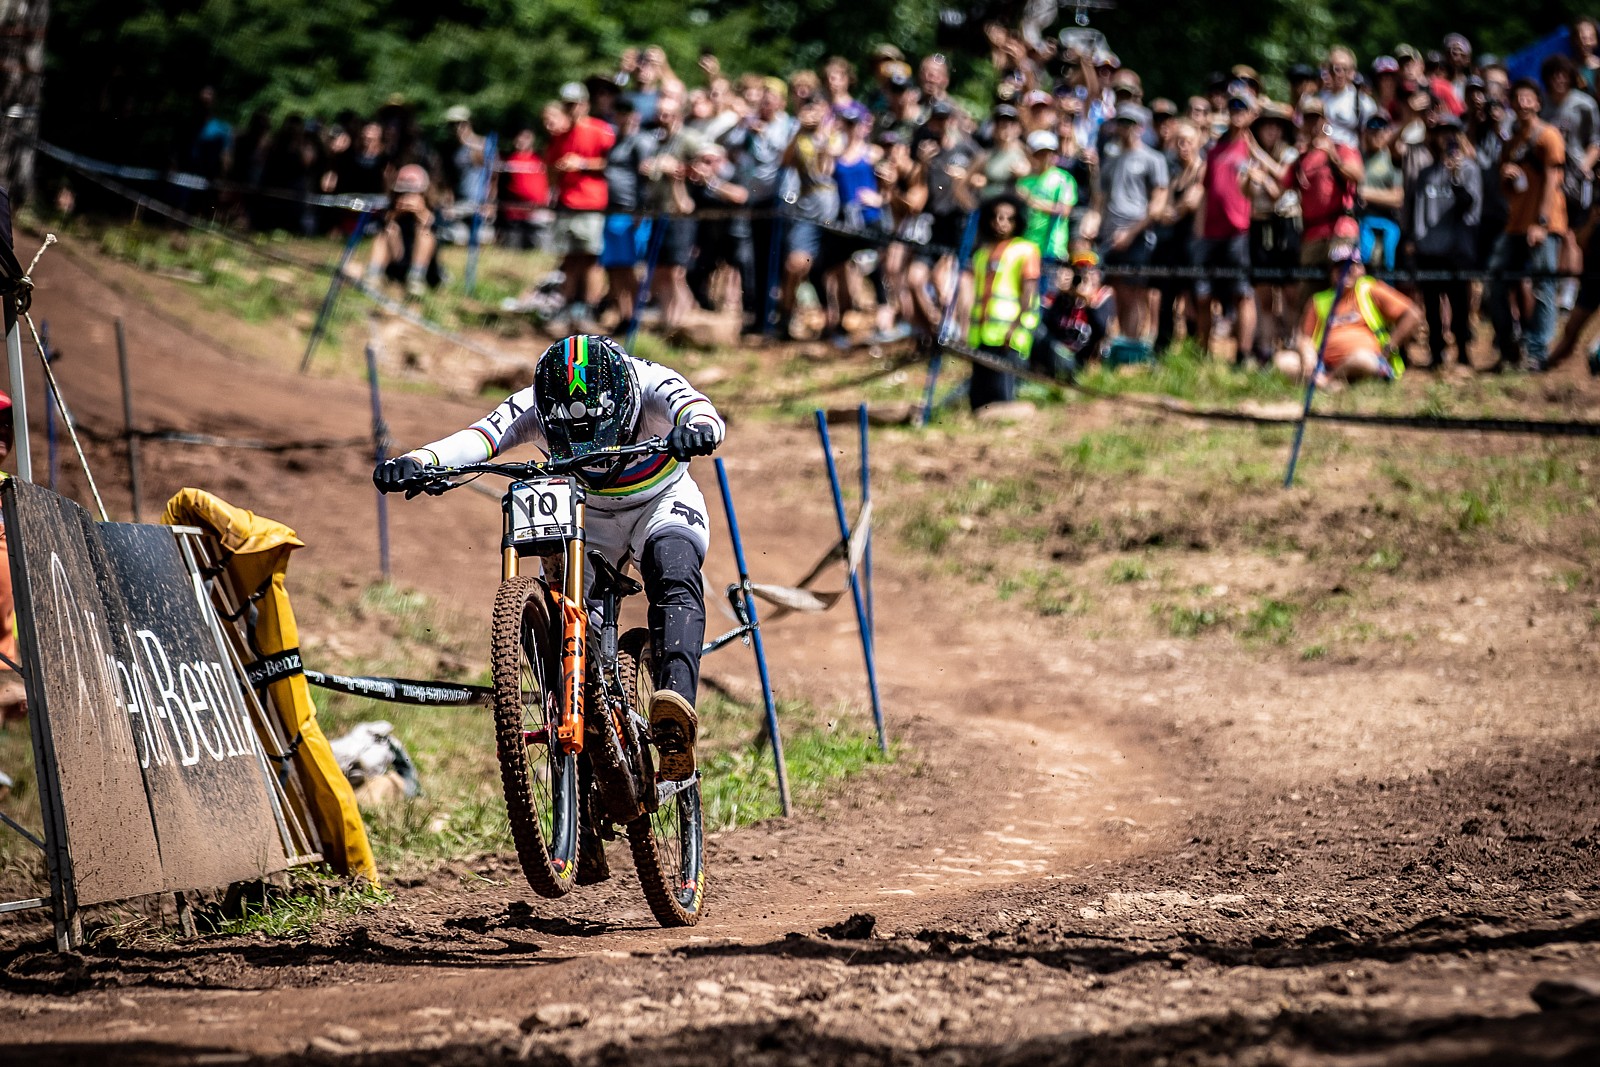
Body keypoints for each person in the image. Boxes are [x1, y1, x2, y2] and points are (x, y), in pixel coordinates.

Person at [373, 336, 724, 782]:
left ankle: (675, 716)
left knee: (672, 569)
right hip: (584, 513)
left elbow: (699, 409)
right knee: (567, 622)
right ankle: (577, 767)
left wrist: (700, 429)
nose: (584, 448)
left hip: (660, 501)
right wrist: (420, 460)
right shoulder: (534, 404)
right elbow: (481, 437)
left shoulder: (653, 382)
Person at [1487, 80, 1566, 373]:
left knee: (1543, 286)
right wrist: (1506, 175)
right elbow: (1511, 190)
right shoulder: (1511, 142)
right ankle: (1509, 347)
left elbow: (1552, 179)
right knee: (1496, 281)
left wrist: (1542, 223)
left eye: (1527, 98)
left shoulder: (1549, 135)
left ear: (1537, 103)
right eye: (1517, 98)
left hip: (1545, 223)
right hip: (1515, 224)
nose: (1522, 103)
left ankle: (1537, 353)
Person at [1279, 240, 1420, 385]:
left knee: (1361, 360)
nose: (1345, 270)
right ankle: (1328, 380)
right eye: (1339, 266)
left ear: (1361, 269)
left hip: (1368, 360)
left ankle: (1328, 381)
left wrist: (1391, 345)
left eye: (1351, 265)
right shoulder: (1319, 300)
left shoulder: (1371, 290)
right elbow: (1305, 338)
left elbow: (1412, 314)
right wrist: (1308, 358)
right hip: (1324, 364)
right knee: (1283, 362)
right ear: (1331, 272)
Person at [1403, 116, 1482, 371]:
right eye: (1441, 132)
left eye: (1451, 132)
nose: (1446, 137)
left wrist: (1456, 177)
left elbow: (1469, 205)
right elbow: (1417, 210)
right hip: (1429, 250)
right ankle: (1436, 353)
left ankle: (1462, 352)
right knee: (1432, 305)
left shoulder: (1469, 169)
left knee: (1460, 305)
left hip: (1456, 250)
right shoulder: (1425, 173)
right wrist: (1414, 239)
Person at [1086, 102, 1168, 340]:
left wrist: (1131, 233)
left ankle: (1132, 345)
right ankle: (1118, 342)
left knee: (1134, 292)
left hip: (1138, 235)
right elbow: (1100, 198)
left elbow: (1157, 204)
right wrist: (1094, 223)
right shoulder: (1111, 158)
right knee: (1113, 290)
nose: (1126, 127)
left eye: (1131, 123)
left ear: (1141, 127)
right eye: (1122, 122)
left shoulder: (1153, 159)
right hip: (1110, 235)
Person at [545, 81, 616, 331]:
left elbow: (613, 163)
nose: (571, 109)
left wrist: (583, 164)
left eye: (574, 104)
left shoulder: (601, 130)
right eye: (567, 104)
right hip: (566, 203)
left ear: (585, 105)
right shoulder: (560, 137)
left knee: (591, 259)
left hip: (592, 203)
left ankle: (587, 309)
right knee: (570, 259)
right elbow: (550, 171)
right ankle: (566, 308)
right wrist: (559, 169)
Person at [1193, 88, 1257, 359]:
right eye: (1233, 108)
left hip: (1238, 232)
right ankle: (1201, 352)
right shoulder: (1215, 149)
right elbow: (1206, 191)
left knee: (1241, 293)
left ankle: (1243, 354)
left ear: (1252, 113)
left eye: (1242, 108)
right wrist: (1198, 232)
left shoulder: (1252, 148)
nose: (1237, 113)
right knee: (1204, 294)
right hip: (1210, 233)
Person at [964, 193, 1040, 410]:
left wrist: (1016, 326)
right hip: (982, 333)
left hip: (1008, 335)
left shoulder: (1025, 250)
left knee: (1003, 397)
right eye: (997, 217)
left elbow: (1029, 292)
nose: (1002, 223)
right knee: (979, 398)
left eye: (1009, 218)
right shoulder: (982, 254)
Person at [362, 164, 441, 296]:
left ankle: (416, 277)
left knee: (425, 233)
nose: (407, 197)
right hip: (396, 258)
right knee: (387, 231)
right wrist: (395, 215)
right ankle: (373, 274)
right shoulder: (391, 208)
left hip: (425, 265)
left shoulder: (432, 209)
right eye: (403, 193)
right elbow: (377, 226)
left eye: (412, 193)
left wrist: (421, 213)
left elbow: (438, 230)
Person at [1036, 249, 1116, 377]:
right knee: (1037, 332)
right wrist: (1062, 295)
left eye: (1090, 270)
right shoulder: (1063, 297)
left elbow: (1101, 331)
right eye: (1079, 270)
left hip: (1081, 361)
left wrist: (1088, 303)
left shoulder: (1102, 297)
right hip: (1059, 354)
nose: (1085, 276)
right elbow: (1047, 323)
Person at [1017, 129, 1076, 262]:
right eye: (1039, 154)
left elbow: (1064, 211)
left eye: (1048, 153)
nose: (1045, 158)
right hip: (1026, 247)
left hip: (1052, 249)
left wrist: (1032, 201)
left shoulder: (1064, 180)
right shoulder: (1024, 181)